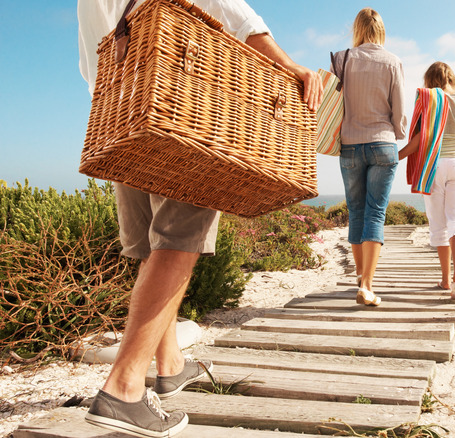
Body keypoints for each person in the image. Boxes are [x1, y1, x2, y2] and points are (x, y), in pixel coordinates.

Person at [77, 1, 323, 436]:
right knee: (178, 239)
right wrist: (290, 65)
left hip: (122, 101)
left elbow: (91, 54)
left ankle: (169, 364)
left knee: (152, 246)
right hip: (180, 96)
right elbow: (228, 11)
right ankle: (123, 389)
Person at [332, 8, 406, 306]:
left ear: (358, 29)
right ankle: (367, 284)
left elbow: (333, 103)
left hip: (349, 144)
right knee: (375, 213)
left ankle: (361, 279)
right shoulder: (393, 61)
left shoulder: (343, 58)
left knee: (357, 212)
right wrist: (396, 131)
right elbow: (399, 111)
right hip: (382, 143)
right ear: (382, 31)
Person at [399, 62, 455, 300]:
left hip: (433, 165)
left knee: (439, 224)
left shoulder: (429, 100)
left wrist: (396, 157)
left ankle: (445, 279)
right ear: (452, 79)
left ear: (429, 80)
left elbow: (420, 140)